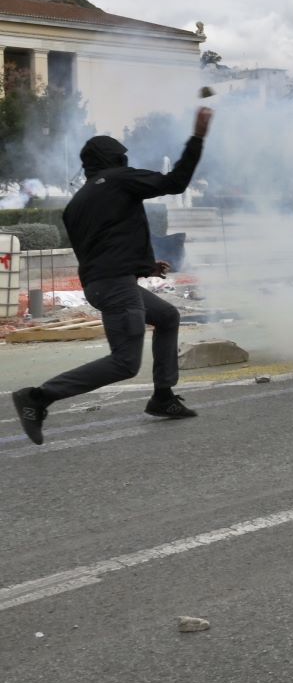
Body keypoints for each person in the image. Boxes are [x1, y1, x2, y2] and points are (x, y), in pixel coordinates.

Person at [11, 107, 214, 445]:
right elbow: (175, 183)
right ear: (115, 159)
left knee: (167, 316)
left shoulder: (76, 203)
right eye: (122, 156)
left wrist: (143, 266)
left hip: (100, 285)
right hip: (116, 287)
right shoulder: (120, 179)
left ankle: (162, 396)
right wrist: (197, 138)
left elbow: (103, 245)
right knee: (124, 363)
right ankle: (38, 397)